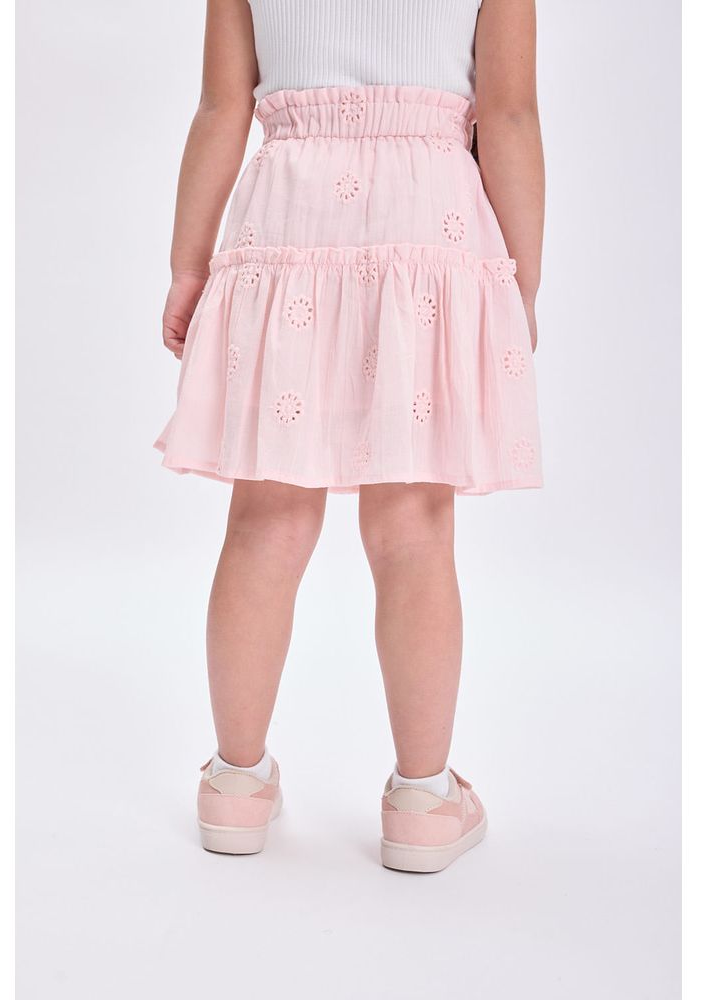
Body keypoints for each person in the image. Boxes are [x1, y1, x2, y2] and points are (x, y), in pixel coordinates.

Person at [156, 0, 544, 872]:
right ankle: (423, 799)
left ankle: (236, 783)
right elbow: (511, 114)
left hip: (288, 216)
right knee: (414, 528)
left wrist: (186, 265)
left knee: (266, 518)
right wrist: (521, 283)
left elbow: (221, 107)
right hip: (429, 221)